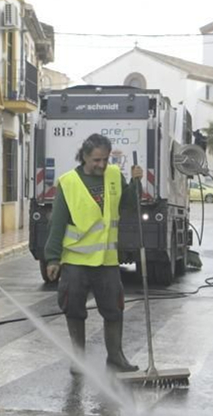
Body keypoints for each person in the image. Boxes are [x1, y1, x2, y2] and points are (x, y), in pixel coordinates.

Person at [43, 134, 144, 374]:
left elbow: (128, 204)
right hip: (76, 261)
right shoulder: (68, 182)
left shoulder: (114, 176)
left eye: (105, 159)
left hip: (107, 262)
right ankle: (78, 359)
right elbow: (57, 222)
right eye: (96, 160)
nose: (101, 165)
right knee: (74, 309)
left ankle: (116, 357)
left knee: (114, 309)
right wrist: (53, 257)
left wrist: (136, 183)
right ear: (85, 156)